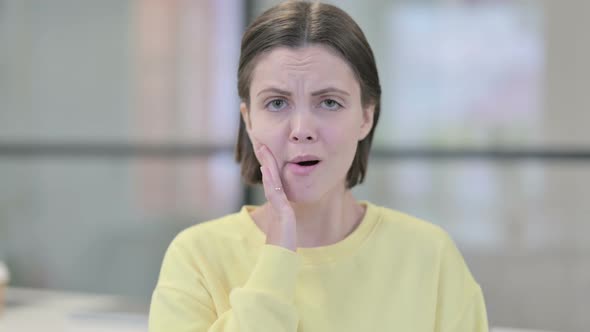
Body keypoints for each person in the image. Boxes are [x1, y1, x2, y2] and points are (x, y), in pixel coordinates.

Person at [149, 1, 489, 331]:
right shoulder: (196, 258)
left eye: (329, 102)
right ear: (248, 119)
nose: (301, 131)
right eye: (277, 102)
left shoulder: (430, 257)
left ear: (366, 117)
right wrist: (278, 252)